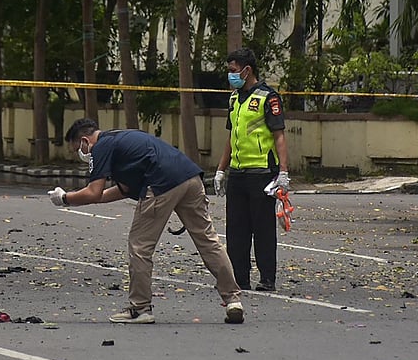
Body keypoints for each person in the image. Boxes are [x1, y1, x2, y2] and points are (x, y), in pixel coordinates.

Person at [48, 118, 244, 325]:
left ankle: (140, 308)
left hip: (161, 184)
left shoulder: (101, 147)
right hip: (190, 178)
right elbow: (123, 189)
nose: (80, 155)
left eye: (77, 149)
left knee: (140, 246)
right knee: (208, 240)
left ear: (85, 141)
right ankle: (233, 299)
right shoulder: (122, 139)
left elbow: (93, 192)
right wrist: (86, 198)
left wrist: (65, 199)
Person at [213, 48, 290, 292]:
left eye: (233, 71)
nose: (230, 76)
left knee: (263, 229)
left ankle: (267, 279)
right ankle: (240, 279)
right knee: (236, 230)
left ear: (247, 70)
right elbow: (231, 136)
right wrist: (221, 170)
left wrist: (283, 173)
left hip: (262, 174)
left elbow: (279, 137)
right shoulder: (234, 99)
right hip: (237, 173)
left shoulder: (269, 97)